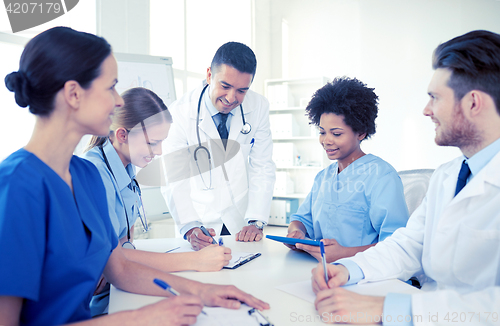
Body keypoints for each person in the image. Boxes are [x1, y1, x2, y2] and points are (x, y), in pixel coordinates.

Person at [0, 26, 268, 326]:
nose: (118, 101)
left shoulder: (85, 176)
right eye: (111, 87)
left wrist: (204, 291)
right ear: (74, 94)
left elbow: (122, 271)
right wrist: (140, 318)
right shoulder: (17, 186)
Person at [311, 30, 500, 325]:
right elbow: (409, 244)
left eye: (435, 98)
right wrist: (350, 269)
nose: (426, 110)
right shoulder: (448, 175)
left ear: (473, 103)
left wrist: (388, 309)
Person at [82, 87, 231, 316]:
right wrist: (195, 261)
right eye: (152, 143)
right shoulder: (96, 174)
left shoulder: (126, 166)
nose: (159, 151)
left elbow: (123, 243)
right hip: (96, 304)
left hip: (117, 289)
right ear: (122, 135)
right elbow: (117, 259)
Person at [160, 42, 276, 250]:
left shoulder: (258, 107)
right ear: (208, 76)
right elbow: (173, 176)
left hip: (241, 221)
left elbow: (262, 165)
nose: (231, 98)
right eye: (225, 86)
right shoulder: (179, 112)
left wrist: (256, 220)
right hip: (199, 220)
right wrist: (189, 226)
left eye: (242, 90)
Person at [285, 77, 409, 263]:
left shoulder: (382, 177)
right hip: (320, 271)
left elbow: (397, 244)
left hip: (365, 275)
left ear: (361, 132)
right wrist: (296, 232)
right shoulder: (323, 177)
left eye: (336, 134)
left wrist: (345, 253)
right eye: (322, 132)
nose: (326, 140)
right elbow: (302, 219)